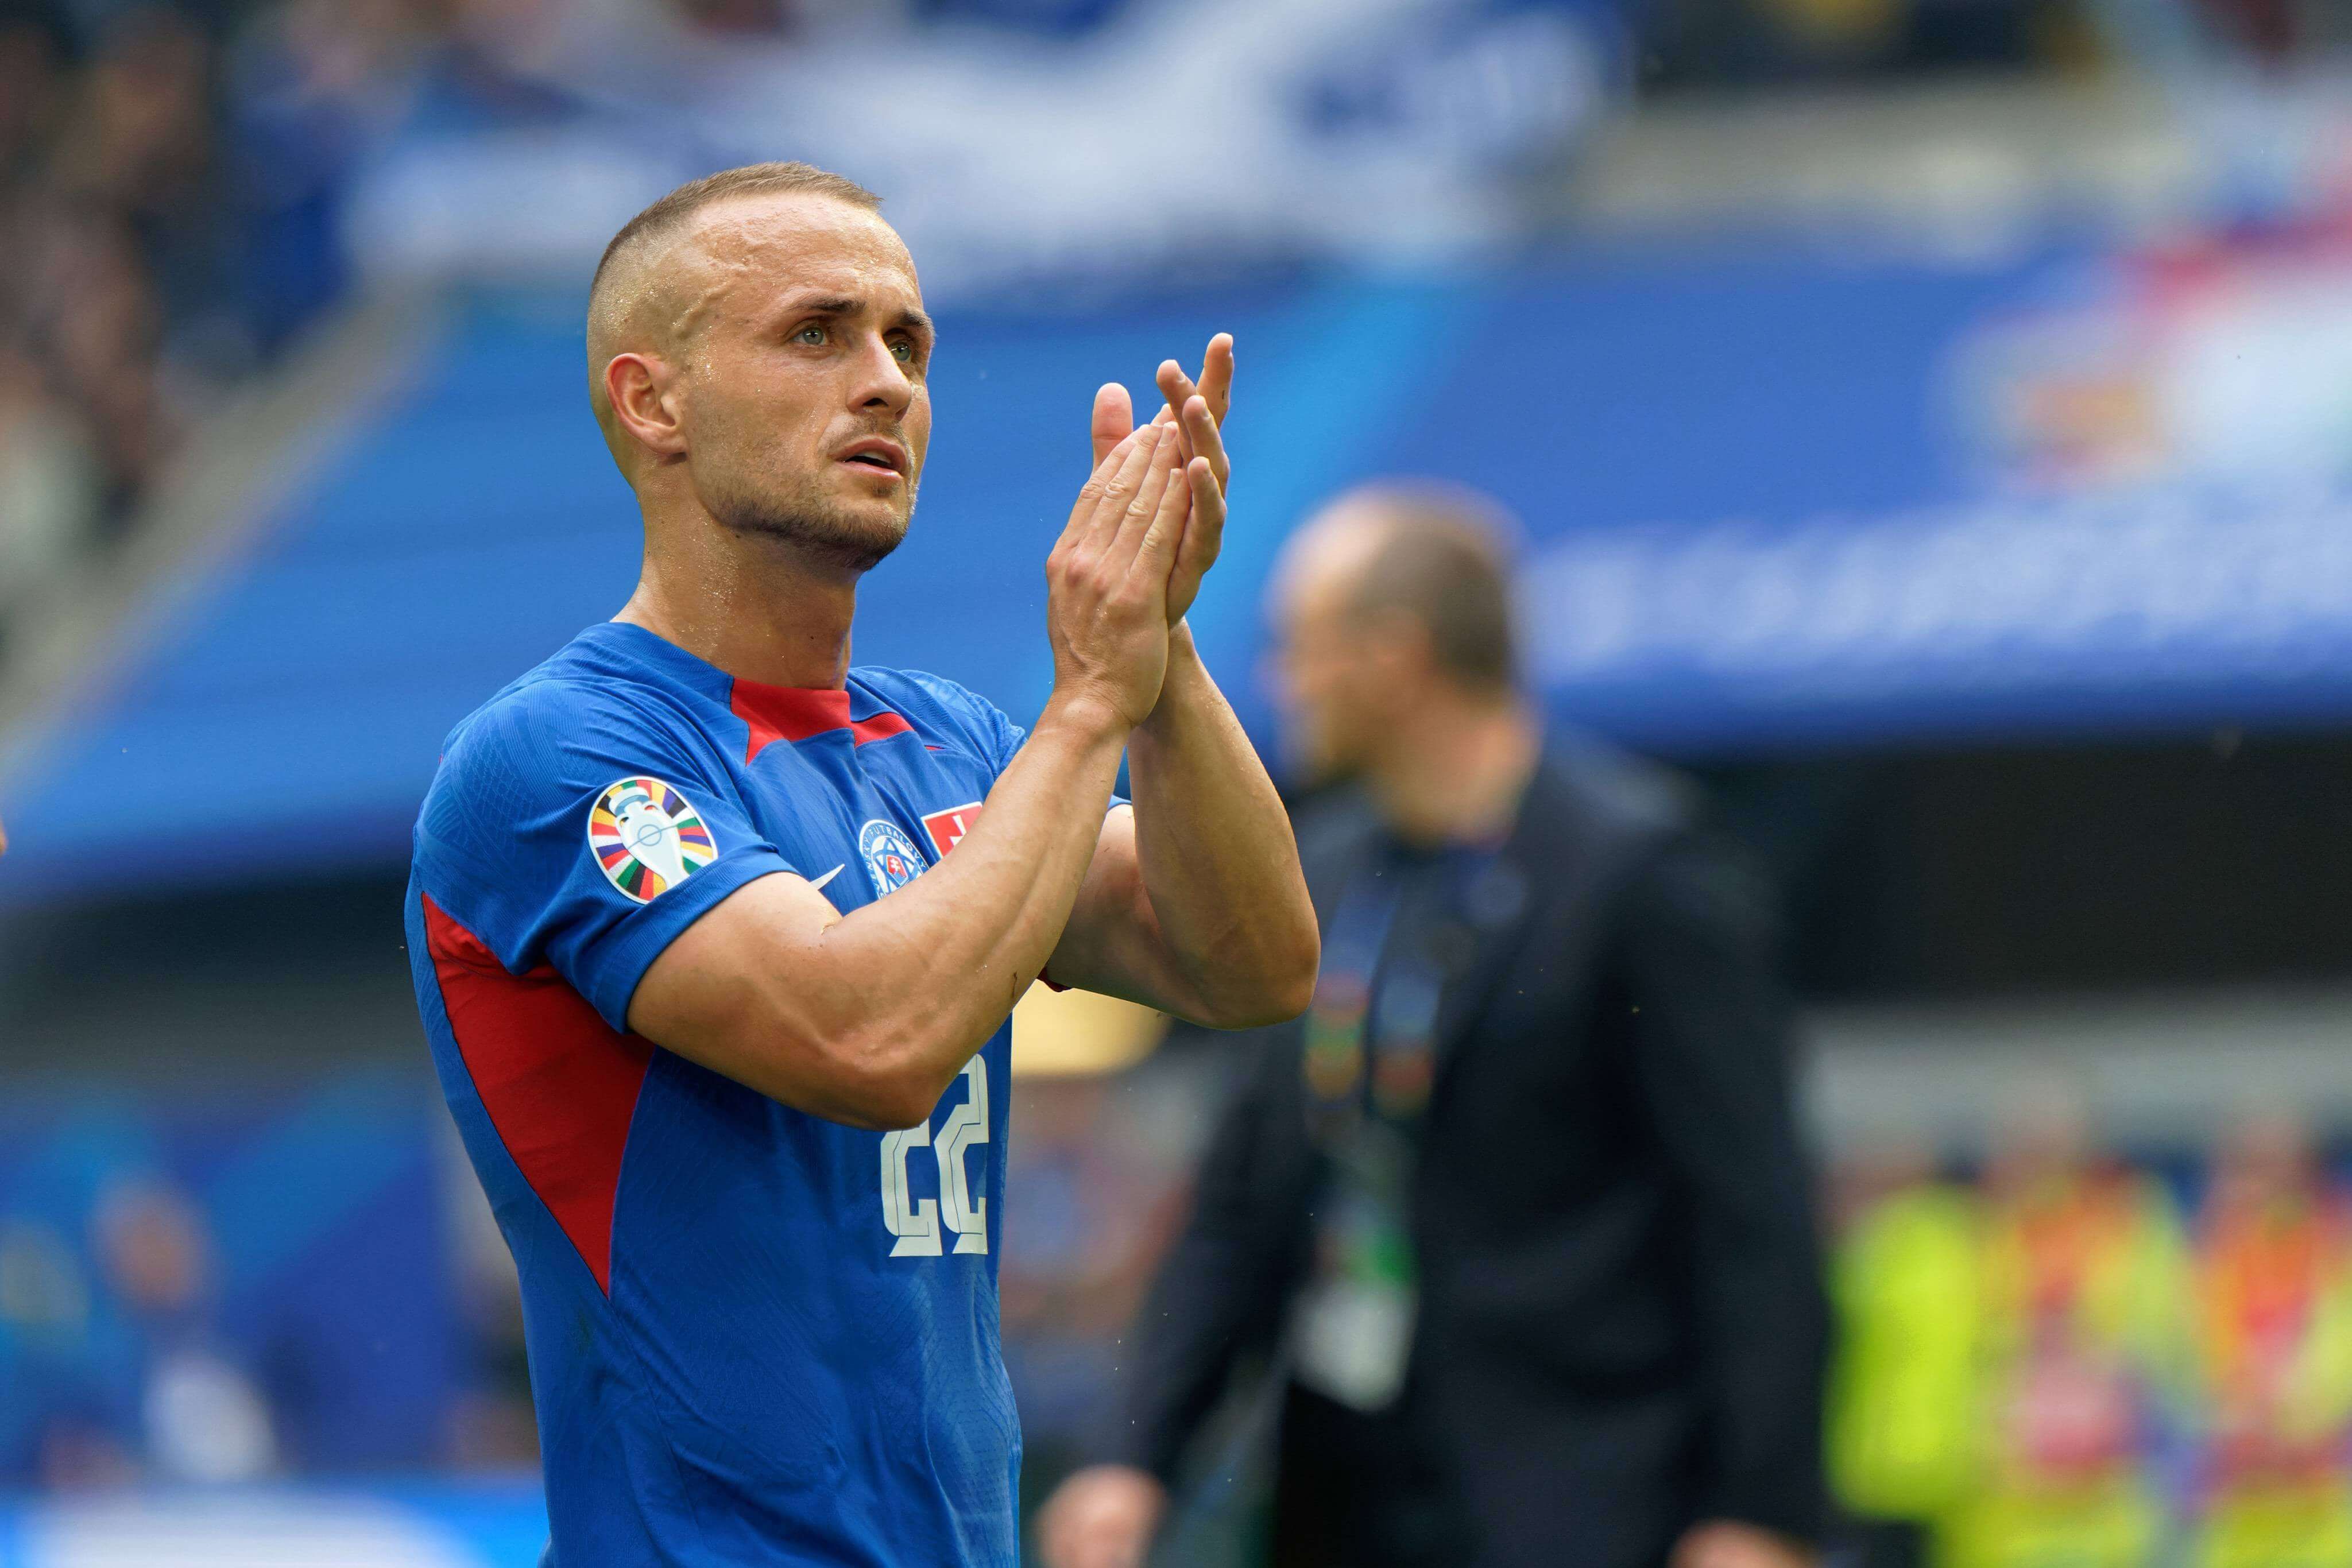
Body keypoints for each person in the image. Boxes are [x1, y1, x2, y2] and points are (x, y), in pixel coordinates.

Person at [403, 161, 1317, 1566]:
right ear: (653, 404)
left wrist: (1162, 648)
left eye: (908, 342)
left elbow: (1251, 962)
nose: (885, 381)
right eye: (816, 333)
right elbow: (866, 1035)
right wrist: (1089, 701)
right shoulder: (556, 757)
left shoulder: (950, 742)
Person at [1041, 485, 1829, 1568]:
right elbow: (1243, 1203)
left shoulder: (1640, 873)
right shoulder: (1317, 873)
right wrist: (1132, 1457)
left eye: (1302, 645)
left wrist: (1761, 1515)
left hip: (1586, 1502)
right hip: (1351, 1496)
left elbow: (1755, 1217)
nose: (1283, 679)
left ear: (1395, 656)